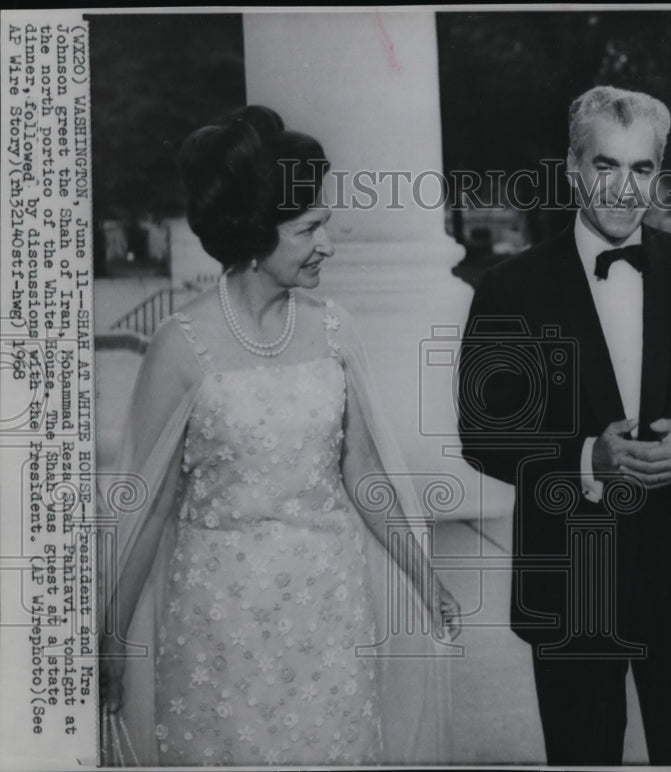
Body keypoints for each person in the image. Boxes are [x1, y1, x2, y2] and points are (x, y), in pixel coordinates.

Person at [99, 105, 460, 766]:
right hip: (219, 620)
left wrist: (423, 575)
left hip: (329, 607)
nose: (327, 244)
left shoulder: (333, 329)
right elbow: (146, 508)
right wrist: (112, 638)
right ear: (257, 231)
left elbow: (363, 475)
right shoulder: (181, 347)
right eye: (310, 228)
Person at [458, 85, 671, 765]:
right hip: (568, 583)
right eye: (605, 166)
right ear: (572, 167)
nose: (625, 189)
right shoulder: (509, 289)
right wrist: (588, 457)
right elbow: (483, 429)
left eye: (643, 169)